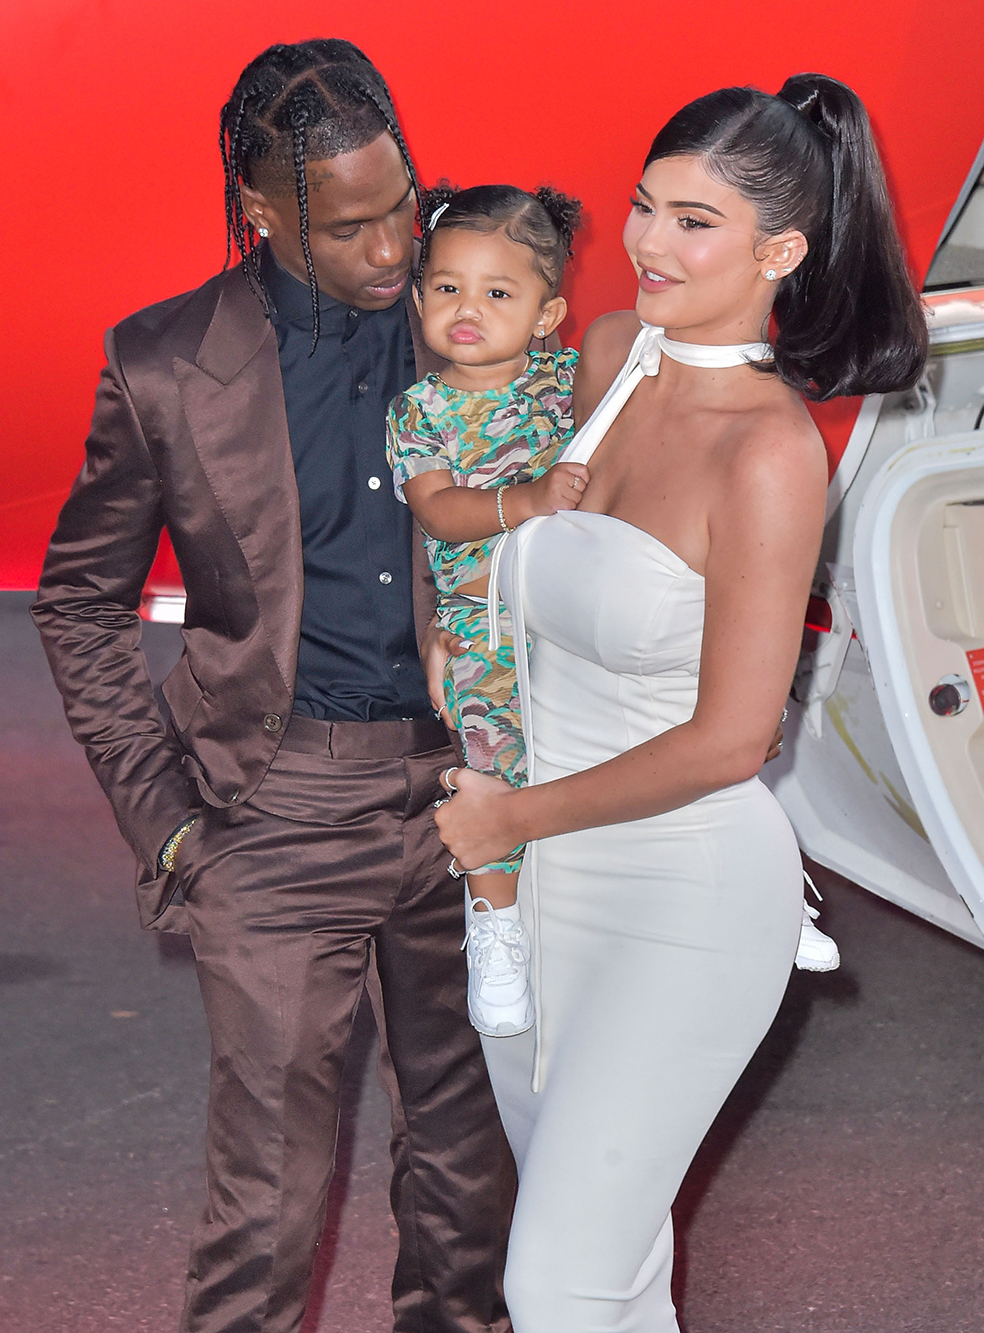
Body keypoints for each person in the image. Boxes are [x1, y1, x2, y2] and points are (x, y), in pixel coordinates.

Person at [31, 39, 515, 1333]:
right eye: (349, 226)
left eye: (402, 205)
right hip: (276, 807)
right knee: (269, 1216)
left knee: (477, 1188)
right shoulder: (169, 366)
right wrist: (169, 824)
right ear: (260, 213)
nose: (389, 249)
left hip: (478, 802)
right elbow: (78, 600)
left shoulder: (475, 307)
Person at [435, 74, 927, 1331]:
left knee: (558, 1282)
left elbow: (731, 739)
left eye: (692, 221)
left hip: (678, 894)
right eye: (645, 205)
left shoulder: (769, 450)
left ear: (780, 250)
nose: (649, 241)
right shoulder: (605, 355)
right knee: (605, 1262)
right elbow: (497, 531)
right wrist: (453, 633)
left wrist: (510, 818)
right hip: (531, 880)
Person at [386, 182, 585, 1038]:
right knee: (491, 763)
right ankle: (496, 922)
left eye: (498, 292)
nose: (467, 309)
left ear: (549, 313)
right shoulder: (420, 410)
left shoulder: (573, 382)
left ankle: (750, 886)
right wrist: (529, 499)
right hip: (485, 627)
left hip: (577, 617)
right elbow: (440, 510)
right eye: (447, 288)